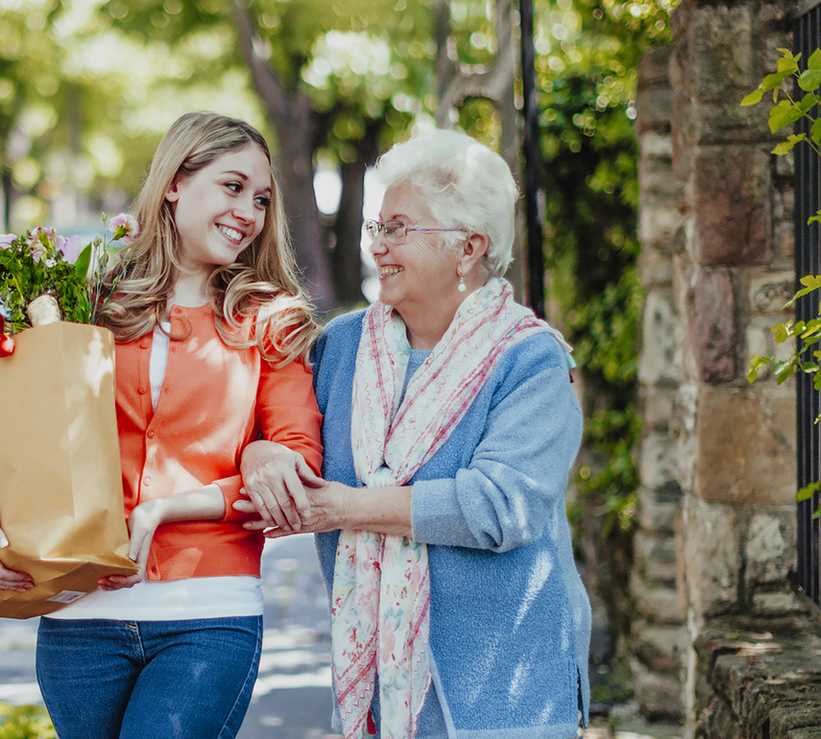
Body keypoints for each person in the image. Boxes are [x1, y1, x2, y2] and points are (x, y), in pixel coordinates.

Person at [0, 111, 324, 739]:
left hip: (207, 615)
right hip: (77, 615)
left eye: (263, 199)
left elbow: (296, 467)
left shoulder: (266, 320)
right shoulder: (86, 297)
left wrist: (169, 506)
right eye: (232, 186)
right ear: (174, 183)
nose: (250, 211)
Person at [238, 129, 590, 739]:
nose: (378, 246)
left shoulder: (529, 361)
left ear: (468, 247)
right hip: (375, 695)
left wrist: (345, 507)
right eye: (376, 228)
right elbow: (268, 427)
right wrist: (263, 451)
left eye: (398, 228)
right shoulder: (338, 350)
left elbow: (499, 506)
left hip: (501, 696)